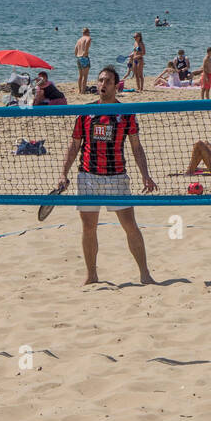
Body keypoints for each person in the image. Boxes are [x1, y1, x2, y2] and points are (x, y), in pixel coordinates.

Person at [56, 66, 157, 285]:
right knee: (89, 227)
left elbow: (136, 147)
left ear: (116, 85)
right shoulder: (85, 112)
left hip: (116, 177)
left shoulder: (126, 113)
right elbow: (74, 146)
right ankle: (91, 275)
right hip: (88, 176)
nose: (102, 84)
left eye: (108, 81)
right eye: (100, 80)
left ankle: (145, 274)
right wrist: (63, 173)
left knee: (130, 226)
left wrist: (145, 175)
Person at [75, 27, 92, 94]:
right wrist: (85, 52)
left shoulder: (79, 40)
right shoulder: (88, 38)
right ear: (87, 32)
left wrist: (78, 55)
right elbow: (87, 43)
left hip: (78, 58)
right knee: (85, 76)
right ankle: (83, 91)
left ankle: (79, 90)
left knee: (80, 75)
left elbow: (75, 50)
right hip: (84, 57)